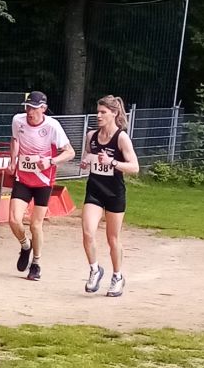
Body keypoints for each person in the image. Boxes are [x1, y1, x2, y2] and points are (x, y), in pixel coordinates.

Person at [8, 91, 75, 282]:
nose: (30, 112)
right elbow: (15, 140)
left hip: (44, 181)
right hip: (23, 177)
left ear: (43, 108)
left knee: (35, 225)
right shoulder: (18, 120)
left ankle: (36, 263)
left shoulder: (52, 126)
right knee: (13, 219)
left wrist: (51, 161)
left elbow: (70, 152)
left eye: (34, 108)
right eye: (28, 107)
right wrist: (13, 160)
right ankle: (25, 246)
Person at [80, 95, 139, 297]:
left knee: (112, 238)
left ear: (114, 113)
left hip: (114, 193)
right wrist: (85, 162)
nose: (98, 115)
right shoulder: (91, 136)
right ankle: (95, 269)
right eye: (97, 111)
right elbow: (87, 156)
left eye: (103, 112)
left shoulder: (121, 138)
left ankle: (117, 276)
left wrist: (112, 162)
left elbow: (134, 167)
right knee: (88, 232)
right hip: (94, 190)